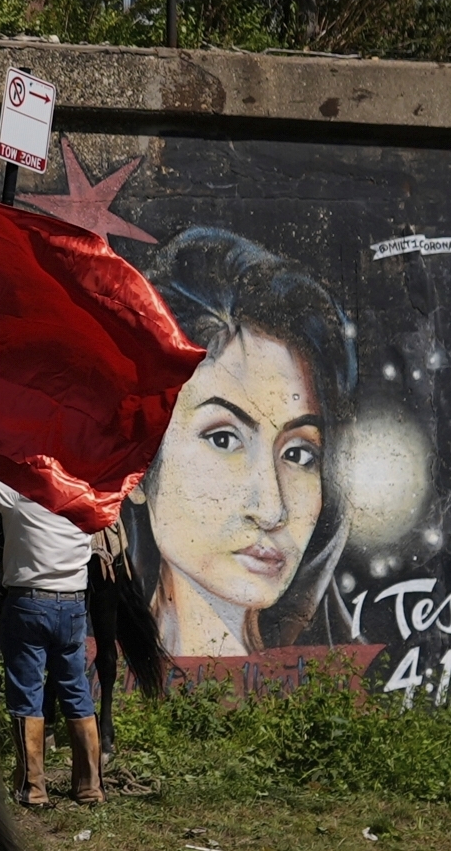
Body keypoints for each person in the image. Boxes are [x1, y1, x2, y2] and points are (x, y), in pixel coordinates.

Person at [130, 229, 352, 660]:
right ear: (138, 461)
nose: (272, 509)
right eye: (224, 438)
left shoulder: (335, 689)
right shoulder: (79, 674)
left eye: (299, 454)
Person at [0, 449, 102, 806]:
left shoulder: (19, 492)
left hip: (29, 602)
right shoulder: (88, 496)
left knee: (26, 689)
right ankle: (89, 786)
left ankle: (33, 788)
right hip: (75, 604)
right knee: (76, 688)